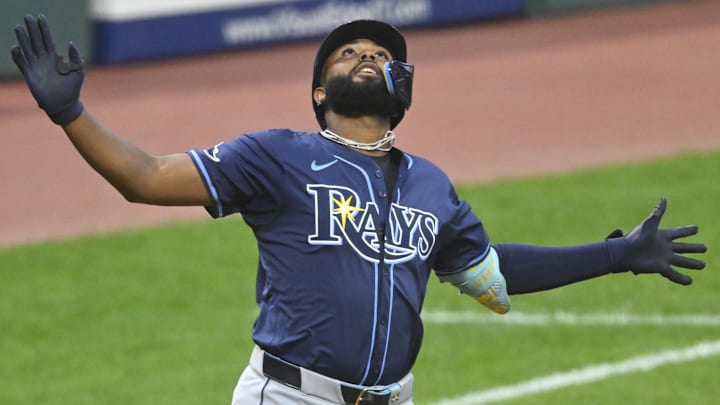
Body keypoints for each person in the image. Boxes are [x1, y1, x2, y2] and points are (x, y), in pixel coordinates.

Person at [12, 15, 707, 405]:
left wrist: (615, 254)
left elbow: (491, 277)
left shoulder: (433, 188)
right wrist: (72, 113)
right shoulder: (275, 156)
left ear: (404, 87)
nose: (367, 56)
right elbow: (144, 176)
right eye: (349, 53)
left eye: (382, 54)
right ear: (320, 92)